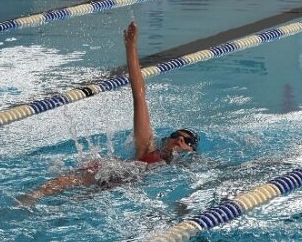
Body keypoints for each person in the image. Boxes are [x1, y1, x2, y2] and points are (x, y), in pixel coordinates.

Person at [16, 21, 199, 205]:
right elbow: (139, 97)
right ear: (167, 138)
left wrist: (184, 157)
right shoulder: (147, 148)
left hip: (122, 191)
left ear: (192, 150)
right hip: (117, 174)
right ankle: (31, 197)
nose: (180, 140)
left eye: (187, 141)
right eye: (176, 135)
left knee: (74, 203)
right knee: (92, 170)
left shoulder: (187, 168)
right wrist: (131, 47)